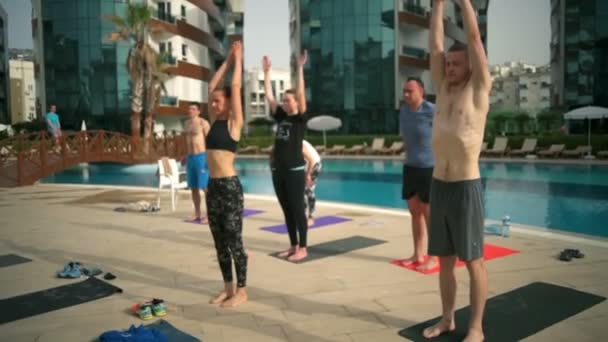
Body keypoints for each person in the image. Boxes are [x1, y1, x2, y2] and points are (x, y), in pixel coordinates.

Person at [423, 1, 492, 341]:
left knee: (474, 260)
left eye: (455, 63)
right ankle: (447, 319)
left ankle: (476, 327)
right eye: (447, 63)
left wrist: (463, 3)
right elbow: (435, 44)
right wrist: (436, 6)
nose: (449, 67)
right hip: (440, 185)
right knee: (445, 260)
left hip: (466, 187)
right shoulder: (442, 89)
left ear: (470, 66)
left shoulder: (477, 89)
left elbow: (476, 40)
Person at [205, 41, 247, 308]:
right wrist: (227, 62)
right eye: (213, 102)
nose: (213, 103)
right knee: (219, 242)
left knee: (234, 241)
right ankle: (228, 289)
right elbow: (212, 86)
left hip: (230, 188)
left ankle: (242, 290)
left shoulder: (234, 123)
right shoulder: (214, 122)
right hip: (213, 188)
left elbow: (233, 87)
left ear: (228, 104)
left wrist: (238, 60)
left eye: (218, 101)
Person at [263, 51, 309, 262]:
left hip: (294, 170)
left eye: (288, 99)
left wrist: (299, 68)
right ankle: (292, 245)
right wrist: (266, 73)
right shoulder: (281, 117)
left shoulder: (299, 119)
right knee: (287, 210)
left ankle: (303, 247)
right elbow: (270, 97)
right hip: (278, 170)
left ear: (296, 103)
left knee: (298, 208)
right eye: (285, 100)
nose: (285, 102)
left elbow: (300, 94)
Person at [399, 77, 438, 271]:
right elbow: (406, 137)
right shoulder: (404, 111)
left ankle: (434, 256)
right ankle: (418, 254)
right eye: (404, 91)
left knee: (429, 214)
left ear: (421, 92)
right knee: (415, 213)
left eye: (410, 91)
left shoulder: (432, 110)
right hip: (410, 167)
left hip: (428, 168)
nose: (406, 94)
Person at [183, 103, 210, 223]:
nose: (191, 111)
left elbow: (210, 141)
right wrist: (184, 155)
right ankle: (197, 213)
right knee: (193, 187)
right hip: (190, 157)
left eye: (193, 109)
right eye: (189, 109)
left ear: (199, 111)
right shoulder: (186, 124)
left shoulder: (203, 123)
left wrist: (209, 158)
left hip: (201, 157)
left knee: (205, 187)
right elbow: (186, 141)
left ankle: (210, 214)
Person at [302, 139, 321, 227]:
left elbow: (311, 160)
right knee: (303, 191)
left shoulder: (298, 143)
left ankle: (310, 217)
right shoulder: (291, 141)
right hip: (306, 165)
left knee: (308, 190)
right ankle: (304, 216)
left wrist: (308, 174)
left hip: (314, 164)